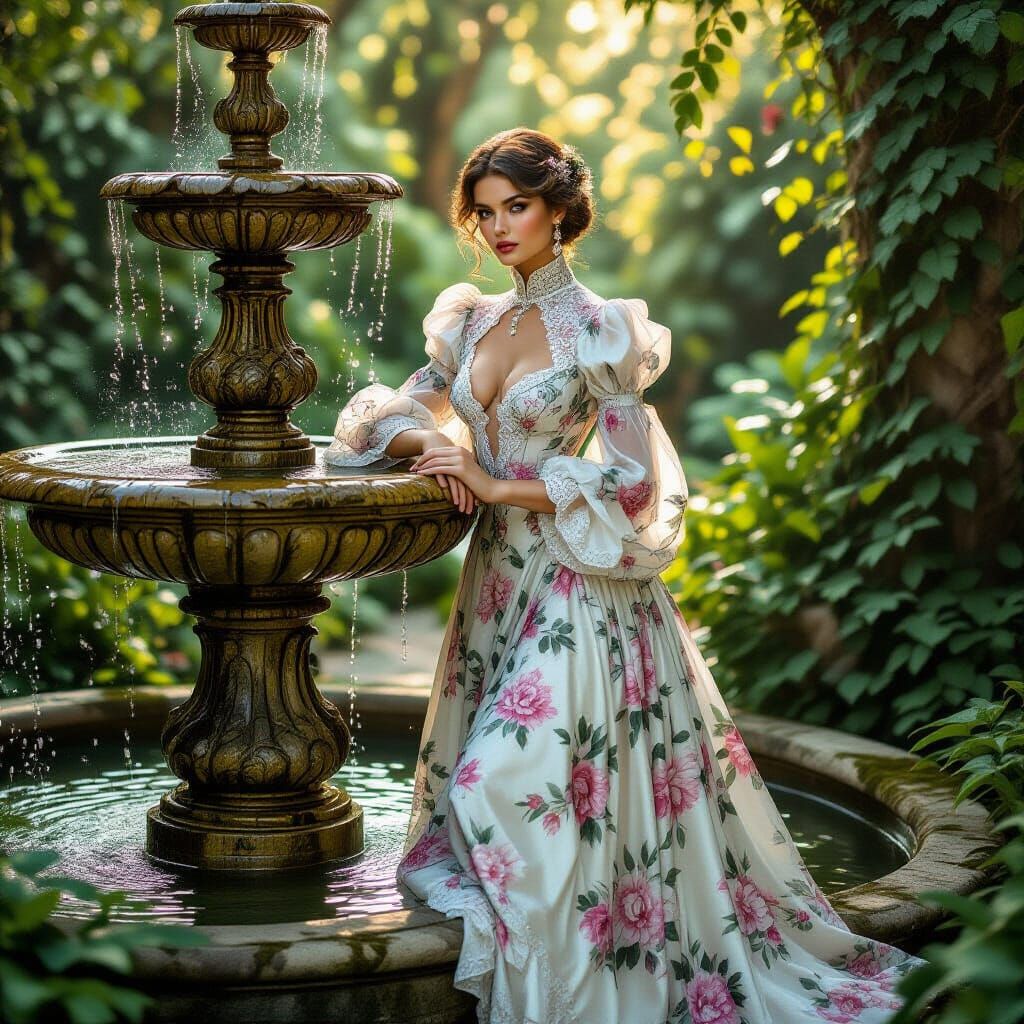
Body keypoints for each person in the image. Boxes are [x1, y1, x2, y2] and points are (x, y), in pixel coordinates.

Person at [325, 128, 925, 1024]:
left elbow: (636, 484)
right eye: (484, 213)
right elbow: (381, 414)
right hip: (498, 586)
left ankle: (573, 980)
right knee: (518, 793)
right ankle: (564, 942)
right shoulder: (475, 318)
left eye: (516, 207)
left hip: (583, 585)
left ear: (560, 208)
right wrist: (435, 448)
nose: (499, 228)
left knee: (500, 781)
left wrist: (495, 481)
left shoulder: (600, 331)